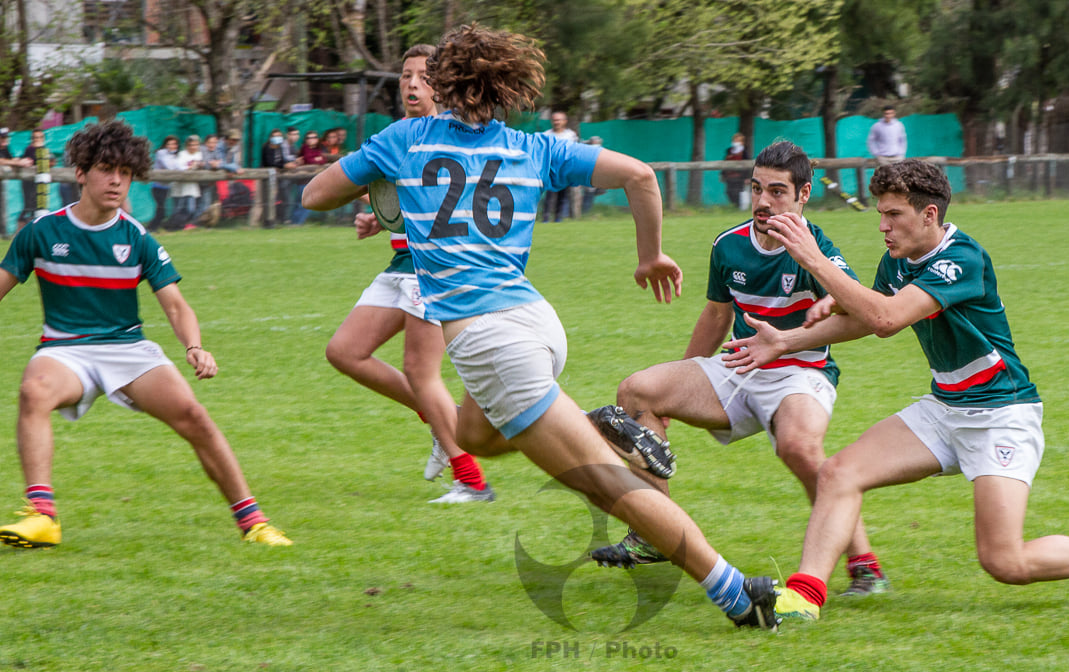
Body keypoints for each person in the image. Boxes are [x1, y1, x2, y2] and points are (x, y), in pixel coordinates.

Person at [302, 23, 779, 630]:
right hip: (535, 324)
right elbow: (640, 175)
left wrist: (379, 180)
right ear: (503, 86)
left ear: (443, 82)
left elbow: (316, 195)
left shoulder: (404, 139)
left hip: (490, 341)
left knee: (606, 487)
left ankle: (735, 591)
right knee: (474, 436)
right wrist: (650, 256)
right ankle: (594, 427)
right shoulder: (533, 149)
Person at [721, 158, 1069, 622]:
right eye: (880, 214)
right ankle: (803, 598)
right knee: (838, 473)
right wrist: (785, 340)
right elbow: (864, 318)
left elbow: (887, 319)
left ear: (929, 215)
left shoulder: (961, 259)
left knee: (1004, 561)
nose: (882, 226)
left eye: (893, 216)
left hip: (1000, 414)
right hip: (945, 408)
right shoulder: (896, 261)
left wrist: (812, 258)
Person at [590, 141, 889, 597]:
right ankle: (655, 533)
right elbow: (715, 317)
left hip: (800, 373)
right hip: (739, 366)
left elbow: (857, 303)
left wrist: (832, 295)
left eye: (777, 191)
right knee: (637, 392)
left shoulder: (816, 246)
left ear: (803, 194)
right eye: (756, 189)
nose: (764, 201)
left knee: (799, 448)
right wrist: (678, 385)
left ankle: (865, 565)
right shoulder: (729, 245)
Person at [0, 119, 291, 548]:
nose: (117, 180)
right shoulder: (41, 233)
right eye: (105, 168)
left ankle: (254, 523)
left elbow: (175, 304)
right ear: (81, 172)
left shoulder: (138, 239)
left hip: (126, 348)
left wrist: (194, 346)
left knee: (195, 417)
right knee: (34, 391)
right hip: (65, 350)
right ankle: (42, 515)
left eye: (126, 172)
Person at [324, 44, 494, 503]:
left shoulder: (451, 135)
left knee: (421, 371)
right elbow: (395, 195)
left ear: (443, 85)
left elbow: (450, 202)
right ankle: (442, 418)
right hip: (401, 264)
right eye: (405, 76)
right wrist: (378, 217)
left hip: (433, 269)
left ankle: (472, 481)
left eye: (423, 76)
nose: (413, 84)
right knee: (344, 351)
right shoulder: (398, 134)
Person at [539, 110, 578, 222]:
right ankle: (545, 217)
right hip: (550, 169)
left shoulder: (570, 135)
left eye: (559, 120)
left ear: (564, 121)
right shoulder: (546, 135)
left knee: (563, 194)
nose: (557, 122)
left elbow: (574, 151)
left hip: (565, 169)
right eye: (555, 120)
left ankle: (558, 217)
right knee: (549, 195)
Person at [18, 129, 55, 232]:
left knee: (38, 207)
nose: (37, 140)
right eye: (35, 137)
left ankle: (35, 230)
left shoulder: (45, 149)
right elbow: (28, 162)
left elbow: (51, 161)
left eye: (39, 137)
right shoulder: (29, 150)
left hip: (41, 185)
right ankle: (20, 230)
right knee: (29, 206)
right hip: (29, 184)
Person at [0, 128, 35, 239]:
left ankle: (4, 232)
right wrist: (16, 162)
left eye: (5, 137)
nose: (4, 140)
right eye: (2, 138)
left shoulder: (5, 148)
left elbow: (9, 160)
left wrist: (20, 161)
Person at [261, 128, 298, 226]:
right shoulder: (267, 147)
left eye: (279, 136)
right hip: (267, 177)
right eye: (275, 136)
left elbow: (281, 161)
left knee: (283, 199)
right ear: (271, 137)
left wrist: (287, 164)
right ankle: (268, 221)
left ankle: (281, 219)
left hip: (278, 176)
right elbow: (270, 162)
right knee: (269, 199)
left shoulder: (279, 147)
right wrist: (284, 166)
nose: (277, 138)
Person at [169, 135, 204, 230]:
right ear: (187, 145)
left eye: (195, 145)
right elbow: (179, 167)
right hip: (180, 186)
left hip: (192, 186)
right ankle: (173, 226)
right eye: (191, 145)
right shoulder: (182, 154)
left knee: (190, 209)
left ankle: (184, 225)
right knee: (178, 208)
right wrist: (191, 167)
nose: (193, 147)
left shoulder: (200, 155)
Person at [148, 135, 178, 231]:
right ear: (165, 145)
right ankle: (152, 228)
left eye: (173, 144)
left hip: (166, 187)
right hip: (157, 186)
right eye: (169, 144)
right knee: (161, 210)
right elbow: (169, 166)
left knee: (161, 209)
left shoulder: (174, 155)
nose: (171, 146)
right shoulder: (162, 153)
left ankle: (153, 227)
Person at [720, 132, 751, 207]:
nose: (736, 142)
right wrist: (723, 174)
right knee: (729, 192)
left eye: (738, 140)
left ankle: (740, 207)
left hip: (740, 177)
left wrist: (747, 177)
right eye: (735, 140)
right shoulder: (729, 152)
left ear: (742, 142)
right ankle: (734, 205)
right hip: (730, 176)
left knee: (738, 192)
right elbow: (725, 164)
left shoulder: (745, 153)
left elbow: (748, 166)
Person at [580, 136, 606, 214]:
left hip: (591, 175)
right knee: (588, 194)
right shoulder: (591, 149)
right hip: (589, 175)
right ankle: (585, 212)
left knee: (589, 194)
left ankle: (585, 212)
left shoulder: (594, 149)